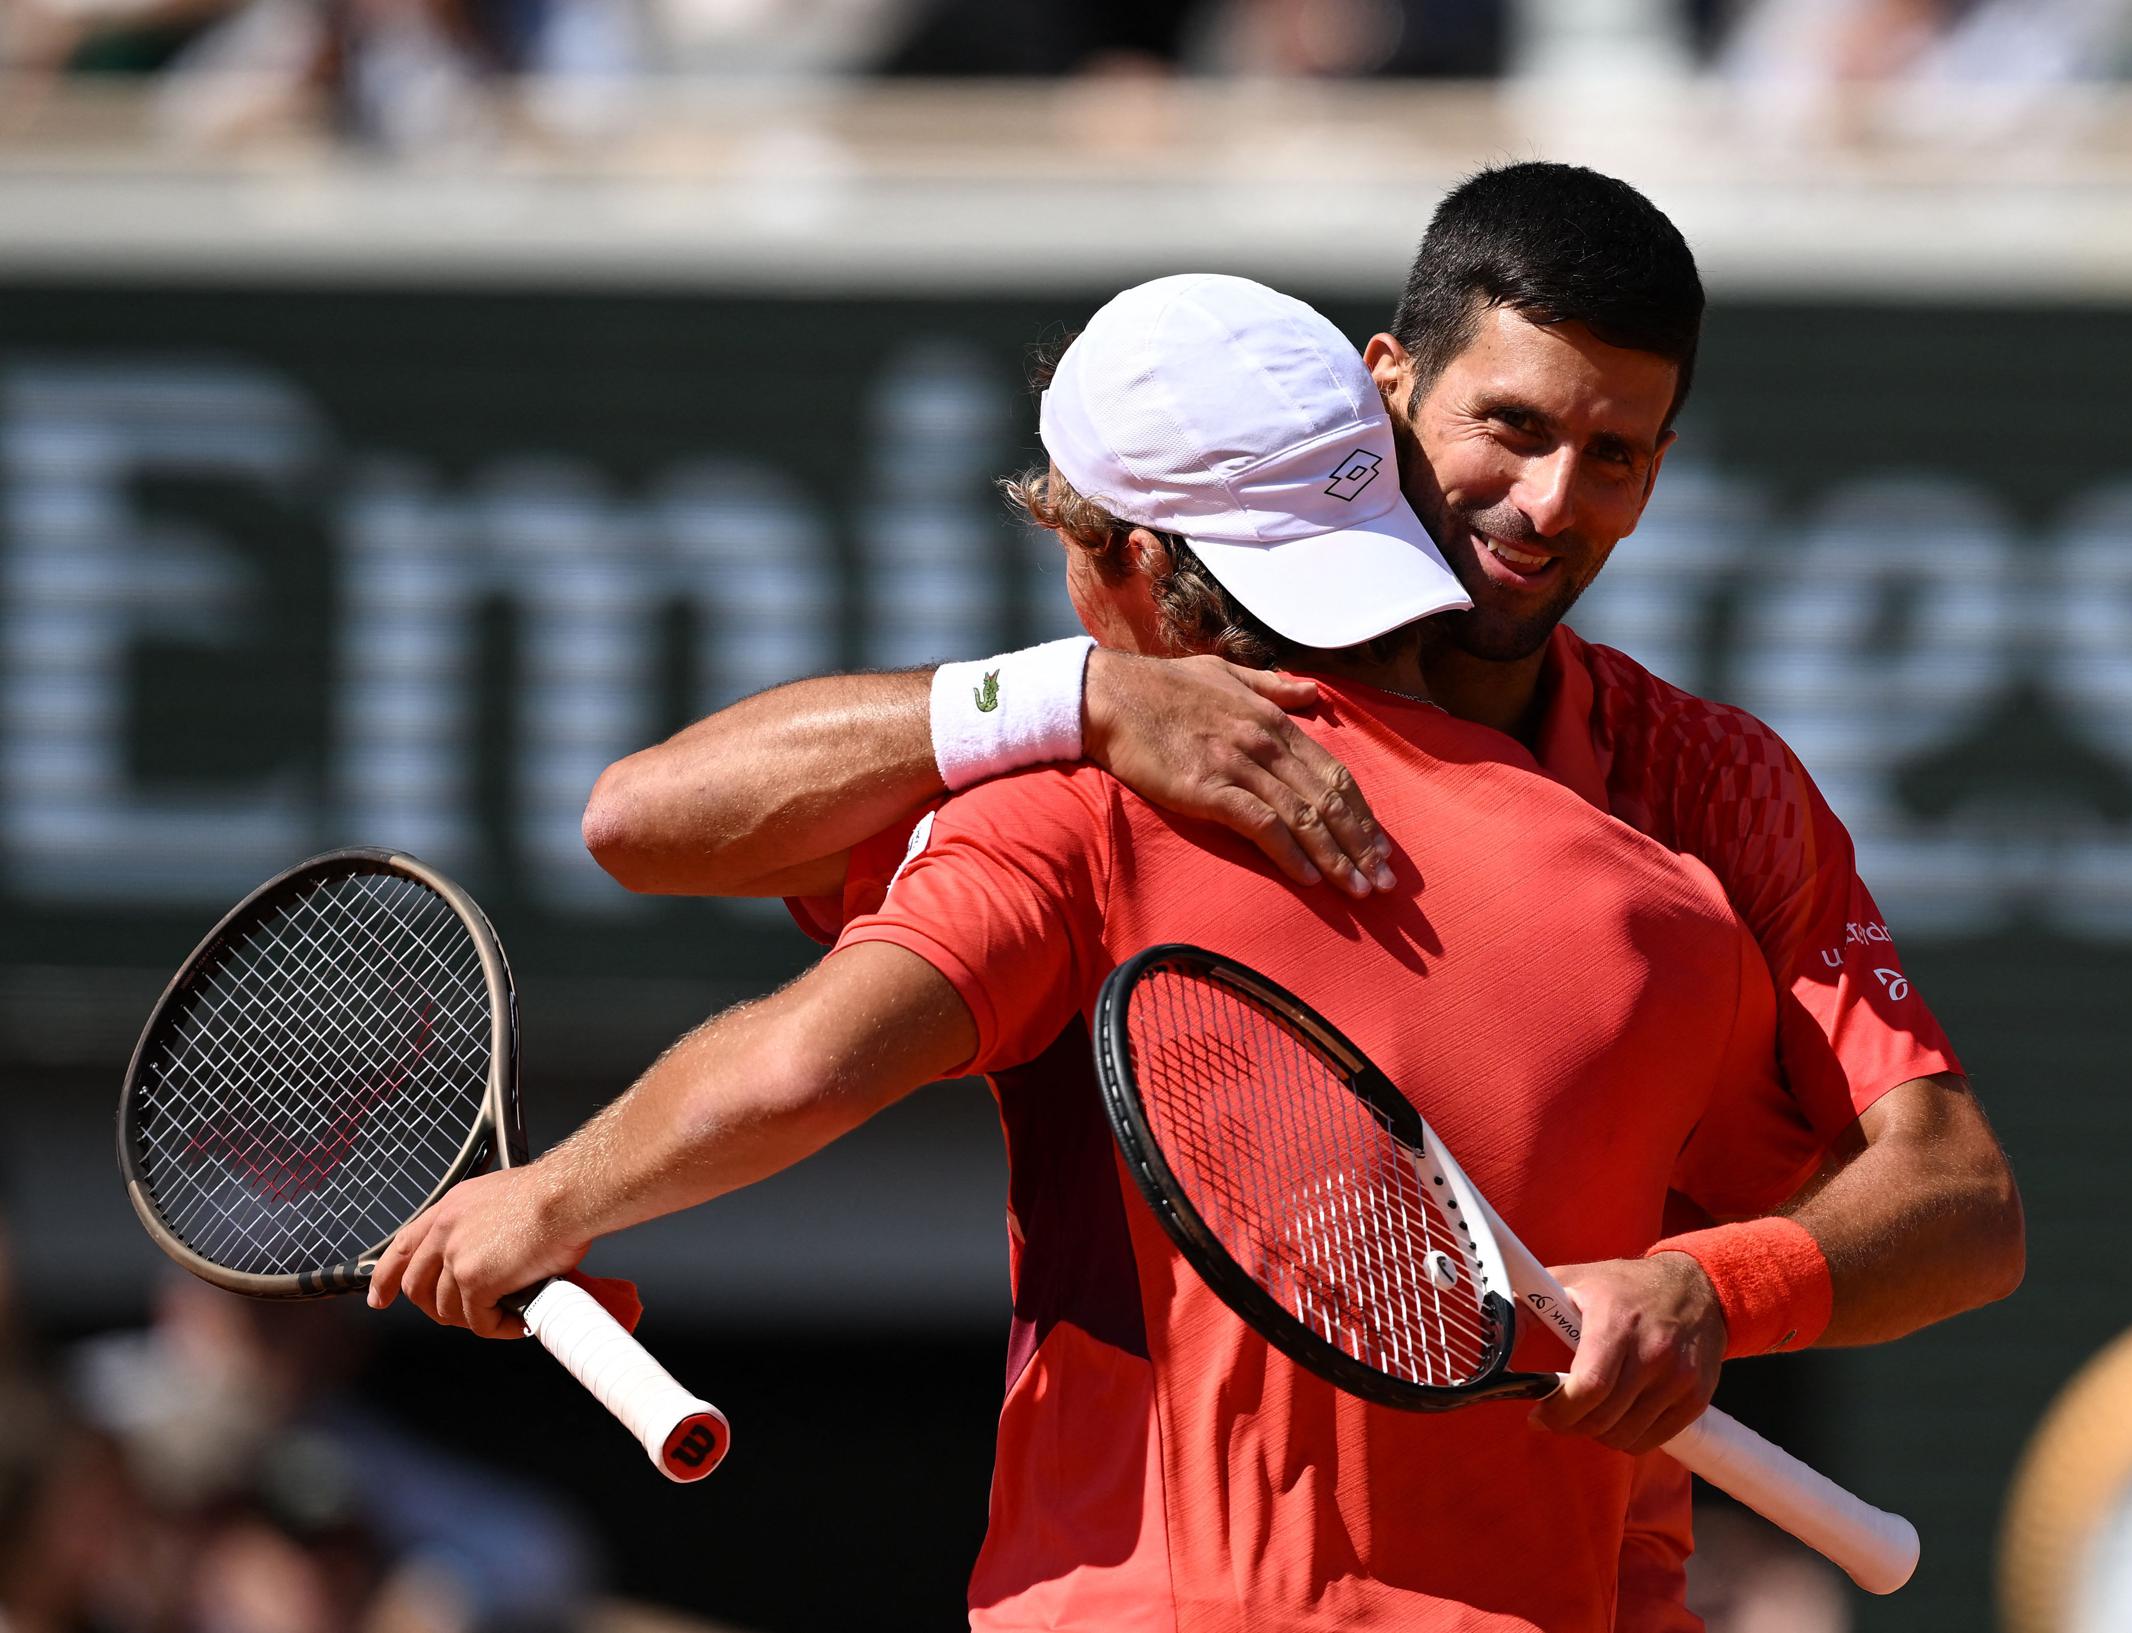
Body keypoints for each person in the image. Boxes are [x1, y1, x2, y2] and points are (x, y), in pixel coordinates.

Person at [371, 274, 1858, 1631]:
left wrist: (550, 1198)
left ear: (1120, 561)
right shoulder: (1663, 903)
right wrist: (1711, 1293)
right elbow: (1851, 1201)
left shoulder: (1073, 824)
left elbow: (795, 1046)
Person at [583, 162, 2023, 1368]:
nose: (1547, 504)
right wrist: (1076, 693)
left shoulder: (1718, 790)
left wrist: (1712, 1289)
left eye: (1614, 455)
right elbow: (649, 822)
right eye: (1509, 428)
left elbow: (1959, 1199)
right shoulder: (1121, 744)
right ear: (1384, 382)